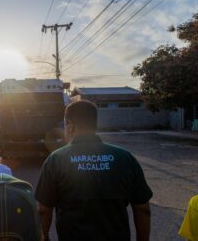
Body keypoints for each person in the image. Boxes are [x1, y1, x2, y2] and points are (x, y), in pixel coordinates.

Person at [35, 100, 153, 241]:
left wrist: (45, 237)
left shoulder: (56, 159)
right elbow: (142, 209)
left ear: (70, 126)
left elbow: (44, 210)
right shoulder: (125, 158)